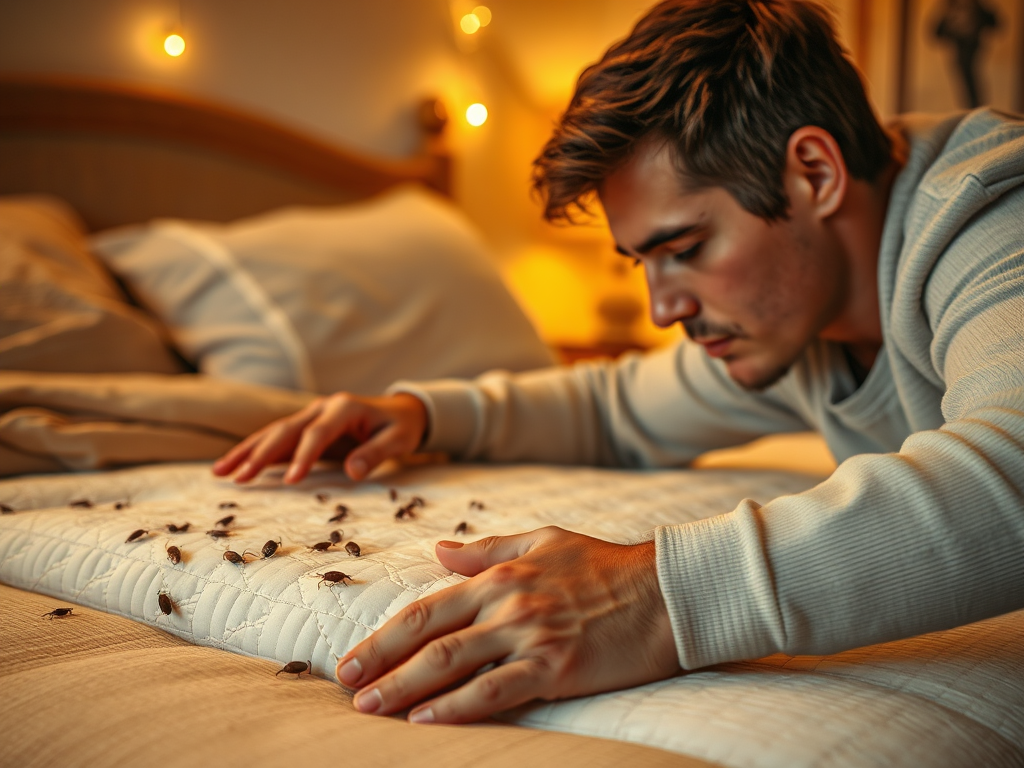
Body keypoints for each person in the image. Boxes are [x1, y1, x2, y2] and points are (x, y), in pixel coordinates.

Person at [213, 0, 1024, 726]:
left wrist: (655, 596)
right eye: (644, 262)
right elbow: (612, 408)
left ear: (814, 172)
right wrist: (422, 414)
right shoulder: (797, 321)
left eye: (686, 248)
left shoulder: (994, 208)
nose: (663, 309)